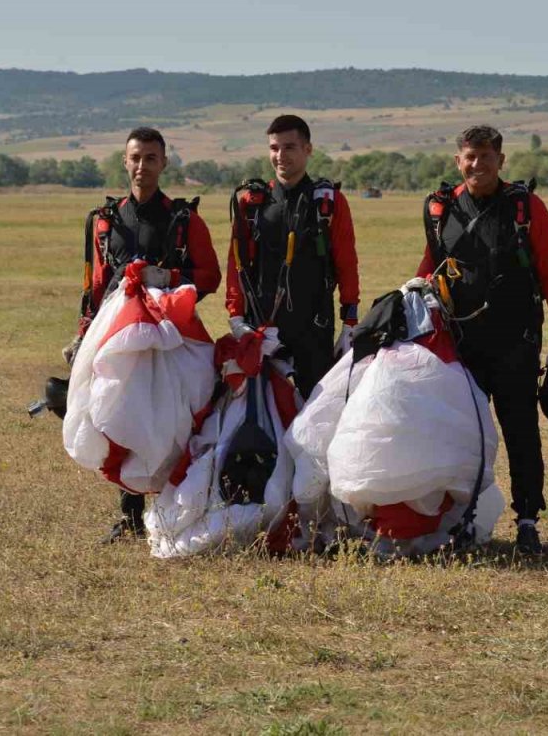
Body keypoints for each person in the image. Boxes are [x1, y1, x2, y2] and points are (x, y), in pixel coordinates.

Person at [416, 125, 548, 556]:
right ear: (457, 160)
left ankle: (527, 520)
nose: (477, 164)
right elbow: (432, 263)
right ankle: (461, 519)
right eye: (470, 156)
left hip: (515, 339)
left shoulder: (525, 207)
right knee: (464, 433)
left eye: (486, 157)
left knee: (521, 429)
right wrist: (414, 294)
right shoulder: (439, 208)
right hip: (460, 340)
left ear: (501, 161)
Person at [68, 126, 222, 543]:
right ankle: (130, 514)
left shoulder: (183, 220)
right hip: (117, 337)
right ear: (125, 161)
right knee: (119, 415)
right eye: (135, 158)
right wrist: (84, 336)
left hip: (171, 335)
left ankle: (173, 508)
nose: (142, 166)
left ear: (163, 163)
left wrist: (167, 278)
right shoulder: (103, 221)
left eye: (151, 158)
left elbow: (210, 275)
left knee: (174, 421)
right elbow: (96, 286)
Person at [225, 115, 360, 399]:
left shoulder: (328, 203)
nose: (280, 156)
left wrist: (349, 320)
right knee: (263, 408)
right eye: (274, 148)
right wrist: (236, 316)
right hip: (261, 323)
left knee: (316, 407)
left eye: (289, 147)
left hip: (314, 325)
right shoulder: (251, 204)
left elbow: (346, 261)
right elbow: (235, 263)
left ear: (307, 149)